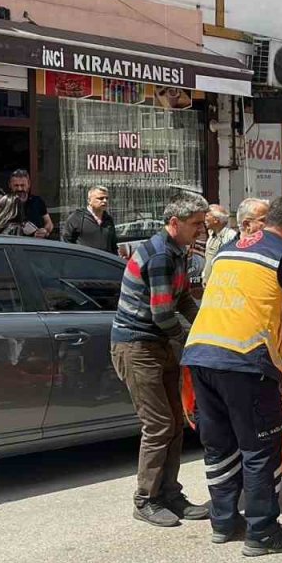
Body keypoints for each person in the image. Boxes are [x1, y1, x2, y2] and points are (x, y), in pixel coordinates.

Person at [183, 196, 282, 555]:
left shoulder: (229, 250)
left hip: (201, 354)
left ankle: (223, 522)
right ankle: (263, 532)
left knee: (220, 444)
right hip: (245, 361)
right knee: (260, 448)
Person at [110, 191, 210, 528]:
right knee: (159, 425)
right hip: (138, 346)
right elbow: (163, 313)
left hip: (157, 344)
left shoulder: (177, 251)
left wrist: (206, 325)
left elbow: (182, 299)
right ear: (175, 223)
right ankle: (146, 499)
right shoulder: (160, 256)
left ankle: (170, 494)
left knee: (175, 423)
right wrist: (189, 340)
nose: (202, 230)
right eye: (196, 224)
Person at [62, 186, 118, 254]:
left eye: (107, 198)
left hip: (105, 260)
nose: (105, 201)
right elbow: (66, 242)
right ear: (89, 201)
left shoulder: (108, 219)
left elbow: (113, 245)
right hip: (85, 259)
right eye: (101, 198)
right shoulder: (77, 217)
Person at [8, 169, 54, 239]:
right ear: (10, 185)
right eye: (16, 185)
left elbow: (49, 223)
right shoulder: (5, 203)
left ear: (29, 184)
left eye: (22, 185)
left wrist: (45, 230)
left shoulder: (37, 201)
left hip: (35, 243)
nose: (19, 189)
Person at [202, 204, 238, 285]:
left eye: (207, 216)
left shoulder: (231, 236)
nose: (204, 219)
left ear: (216, 220)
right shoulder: (211, 235)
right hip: (209, 284)